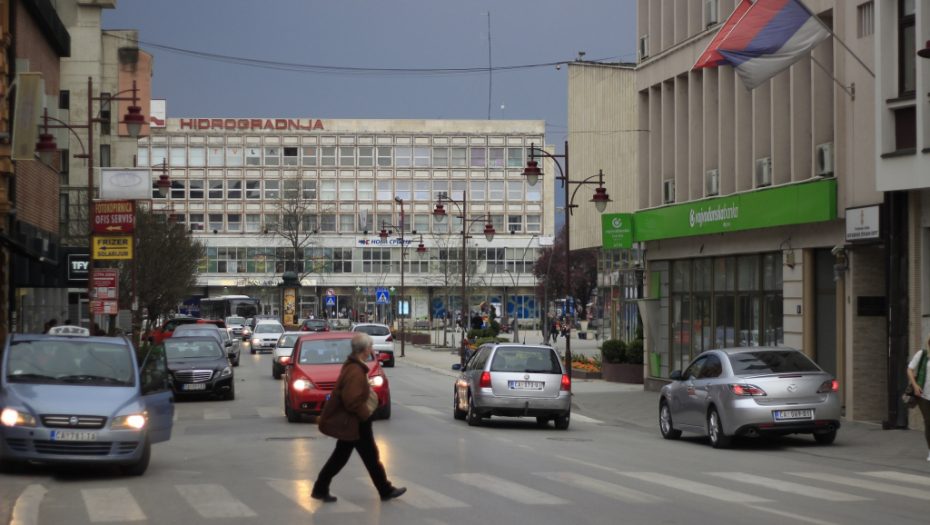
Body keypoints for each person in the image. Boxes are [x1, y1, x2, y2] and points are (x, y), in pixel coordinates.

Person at [312, 333, 406, 502]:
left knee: (346, 456)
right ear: (365, 350)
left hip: (353, 421)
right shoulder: (355, 370)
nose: (372, 349)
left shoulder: (354, 365)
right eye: (370, 346)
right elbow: (351, 400)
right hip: (356, 421)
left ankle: (321, 487)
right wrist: (366, 414)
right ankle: (384, 490)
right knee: (368, 456)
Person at [907, 339, 930, 461]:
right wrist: (915, 385)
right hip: (924, 395)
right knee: (928, 422)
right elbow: (910, 369)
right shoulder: (922, 354)